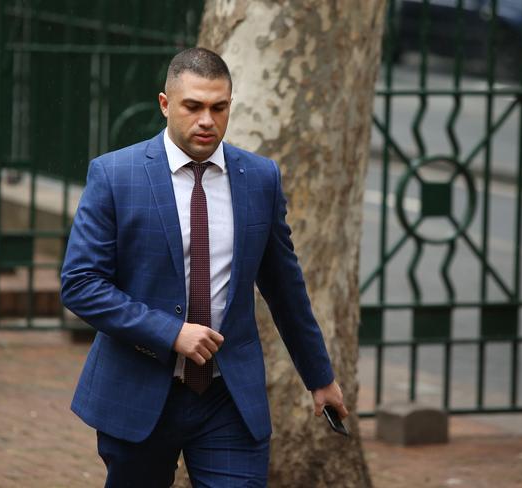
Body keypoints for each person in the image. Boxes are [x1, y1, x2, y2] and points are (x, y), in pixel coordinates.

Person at [61, 47, 348, 487]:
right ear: (165, 104)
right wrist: (171, 332)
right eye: (193, 106)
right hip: (139, 391)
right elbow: (81, 285)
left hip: (227, 396)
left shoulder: (260, 178)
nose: (206, 120)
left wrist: (320, 376)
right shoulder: (115, 176)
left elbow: (285, 287)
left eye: (219, 107)